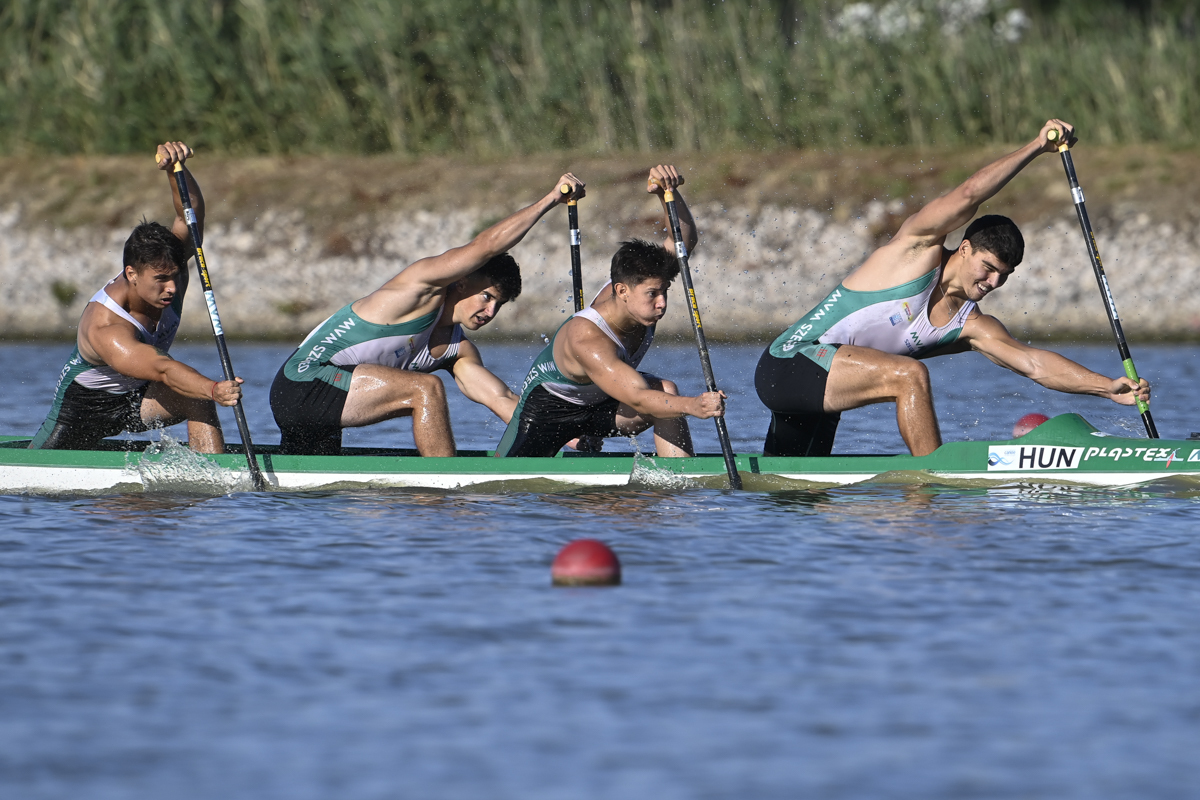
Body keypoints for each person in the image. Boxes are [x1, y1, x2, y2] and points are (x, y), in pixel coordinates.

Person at [755, 119, 1151, 457]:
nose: (994, 282)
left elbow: (1033, 364)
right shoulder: (915, 251)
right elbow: (968, 194)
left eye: (1004, 276)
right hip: (788, 363)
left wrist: (1106, 387)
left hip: (824, 390)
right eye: (989, 268)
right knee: (909, 375)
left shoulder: (972, 324)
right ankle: (933, 481)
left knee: (795, 491)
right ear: (964, 248)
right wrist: (1035, 147)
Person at [270, 174, 585, 456]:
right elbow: (486, 245)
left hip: (331, 398)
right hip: (302, 383)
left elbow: (502, 399)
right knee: (426, 388)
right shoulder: (420, 288)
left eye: (498, 306)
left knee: (313, 492)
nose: (490, 312)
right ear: (461, 281)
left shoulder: (458, 351)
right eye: (487, 297)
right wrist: (551, 198)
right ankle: (446, 491)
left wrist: (567, 434)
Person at [496, 166, 726, 458]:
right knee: (512, 491)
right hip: (546, 414)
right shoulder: (587, 338)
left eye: (665, 292)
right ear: (621, 291)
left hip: (600, 404)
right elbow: (638, 399)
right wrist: (694, 405)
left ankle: (678, 484)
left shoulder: (639, 284)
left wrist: (667, 193)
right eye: (653, 295)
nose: (662, 303)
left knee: (666, 390)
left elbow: (683, 243)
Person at [31, 142, 243, 453]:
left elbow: (189, 218)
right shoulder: (106, 325)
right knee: (202, 390)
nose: (172, 287)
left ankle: (214, 482)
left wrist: (175, 171)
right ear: (132, 274)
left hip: (138, 398)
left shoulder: (167, 270)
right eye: (161, 280)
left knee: (196, 399)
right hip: (81, 413)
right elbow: (162, 368)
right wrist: (214, 389)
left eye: (174, 276)